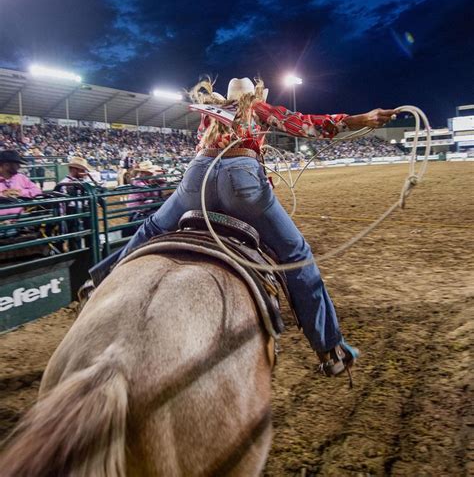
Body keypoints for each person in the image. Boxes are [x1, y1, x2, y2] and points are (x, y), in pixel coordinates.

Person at [90, 77, 398, 378]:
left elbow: (207, 147)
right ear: (255, 96)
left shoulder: (211, 116)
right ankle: (329, 347)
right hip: (243, 179)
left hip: (197, 177)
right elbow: (310, 124)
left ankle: (101, 282)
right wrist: (362, 119)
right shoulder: (259, 110)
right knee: (297, 254)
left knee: (153, 227)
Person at [0, 150, 42, 217]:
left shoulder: (21, 177)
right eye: (17, 164)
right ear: (6, 165)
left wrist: (20, 192)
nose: (19, 167)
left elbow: (37, 191)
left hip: (21, 219)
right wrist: (3, 194)